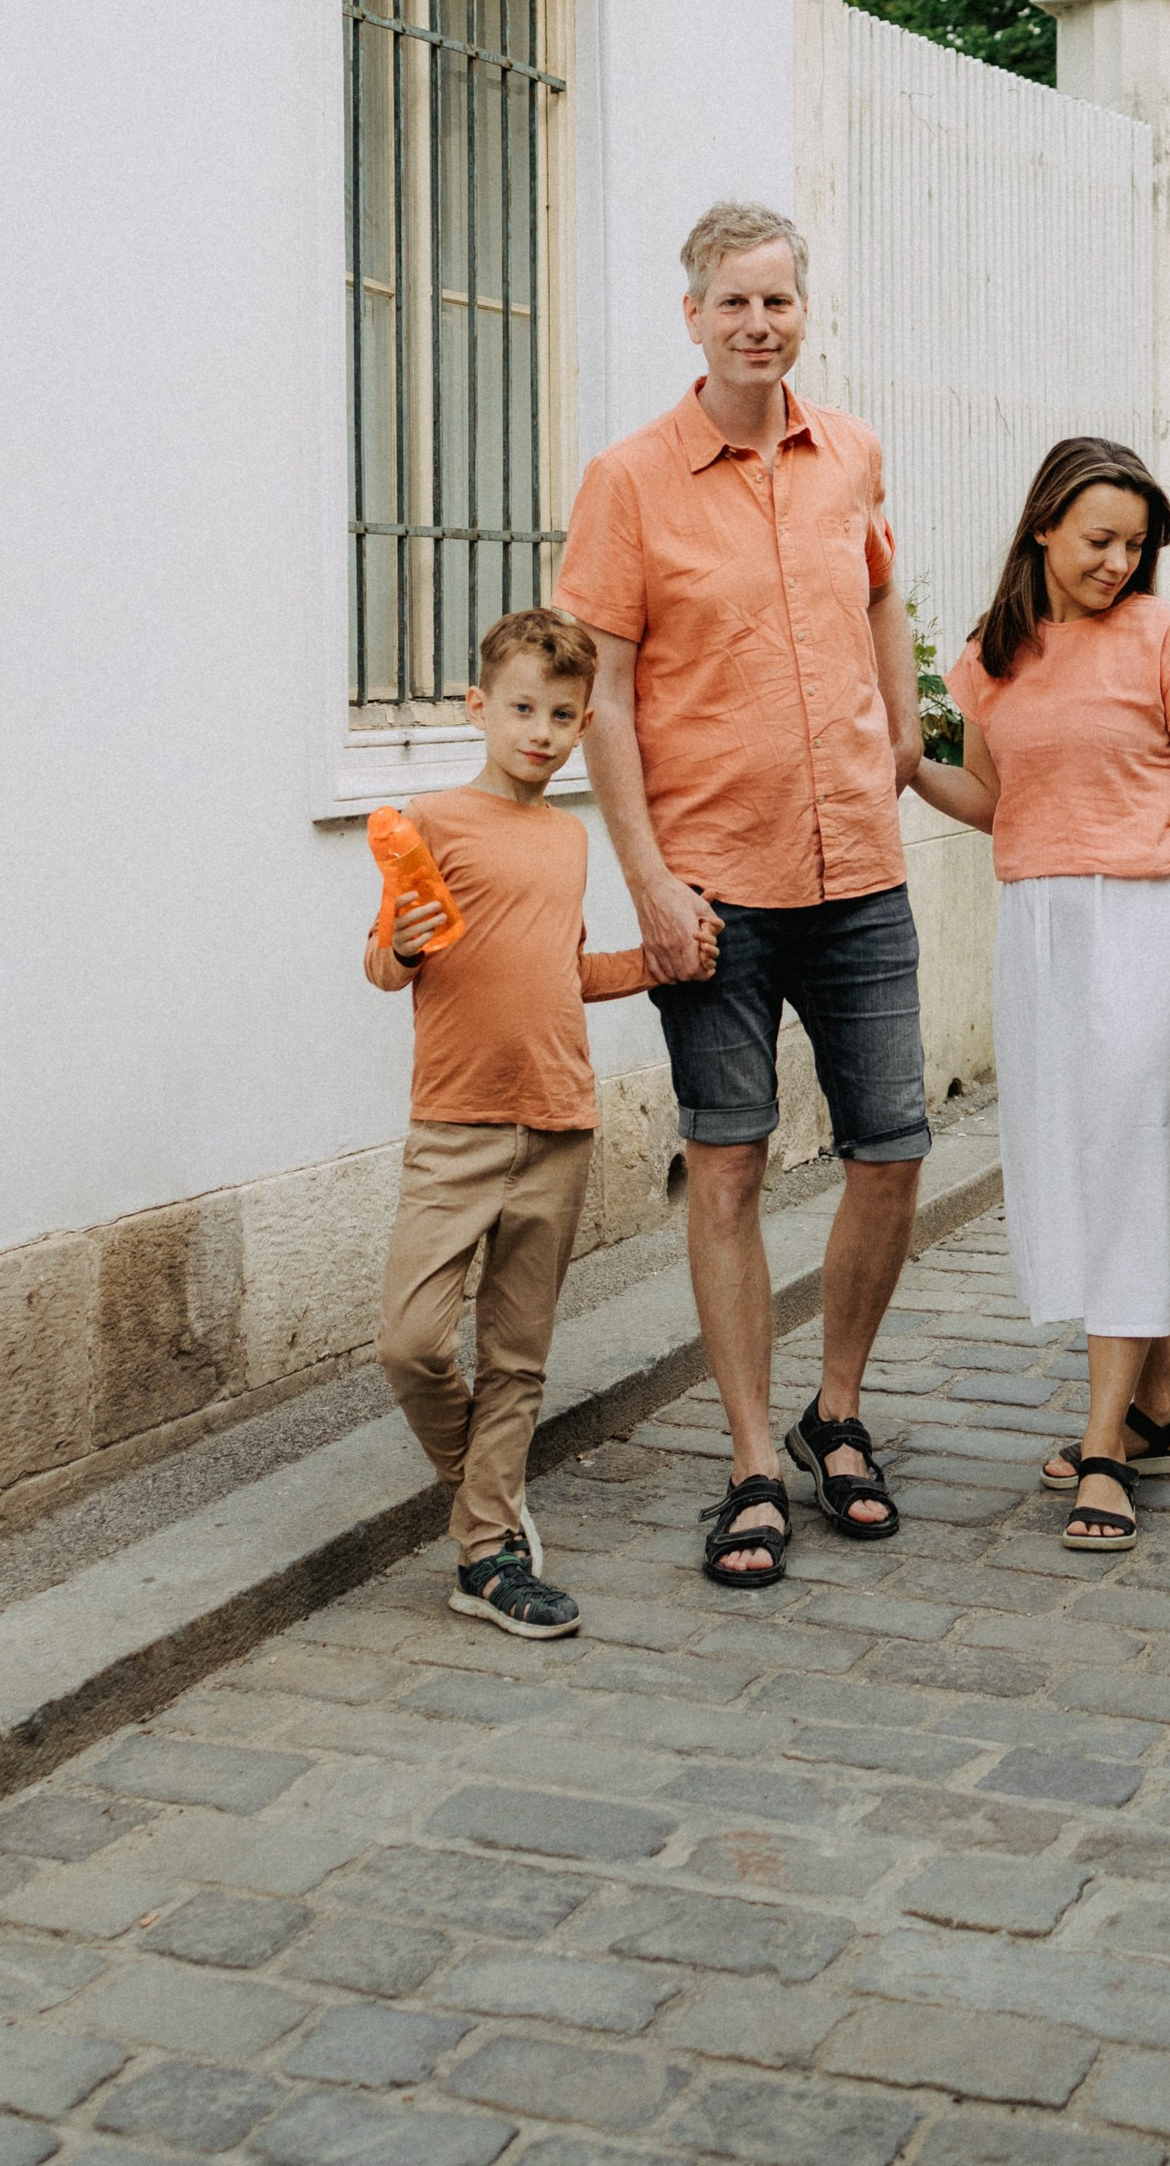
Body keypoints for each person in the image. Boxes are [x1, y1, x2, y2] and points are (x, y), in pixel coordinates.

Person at [555, 202, 927, 1589]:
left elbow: (883, 592)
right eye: (733, 305)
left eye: (778, 303)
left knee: (892, 1147)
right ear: (693, 314)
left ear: (801, 310)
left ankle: (839, 1410)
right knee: (729, 1160)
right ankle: (752, 1462)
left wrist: (899, 729)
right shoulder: (630, 481)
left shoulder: (852, 456)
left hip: (859, 872)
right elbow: (600, 692)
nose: (758, 327)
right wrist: (648, 881)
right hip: (712, 884)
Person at [908, 437, 1170, 1557]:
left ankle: (1103, 1445)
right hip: (1040, 933)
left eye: (1136, 544)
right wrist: (900, 762)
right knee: (1083, 1158)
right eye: (1099, 539)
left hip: (1148, 927)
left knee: (1125, 1159)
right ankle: (1160, 1410)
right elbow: (992, 795)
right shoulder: (991, 654)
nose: (1119, 562)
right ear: (1042, 529)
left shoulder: (1169, 638)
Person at [366, 607, 713, 1639]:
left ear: (582, 722)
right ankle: (491, 1504)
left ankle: (484, 1558)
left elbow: (562, 969)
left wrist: (661, 961)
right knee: (411, 1343)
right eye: (521, 708)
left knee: (516, 1358)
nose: (540, 730)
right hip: (456, 1126)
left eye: (562, 715)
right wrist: (408, 943)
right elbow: (384, 965)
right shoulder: (428, 819)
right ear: (480, 709)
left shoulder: (569, 838)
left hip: (558, 1123)